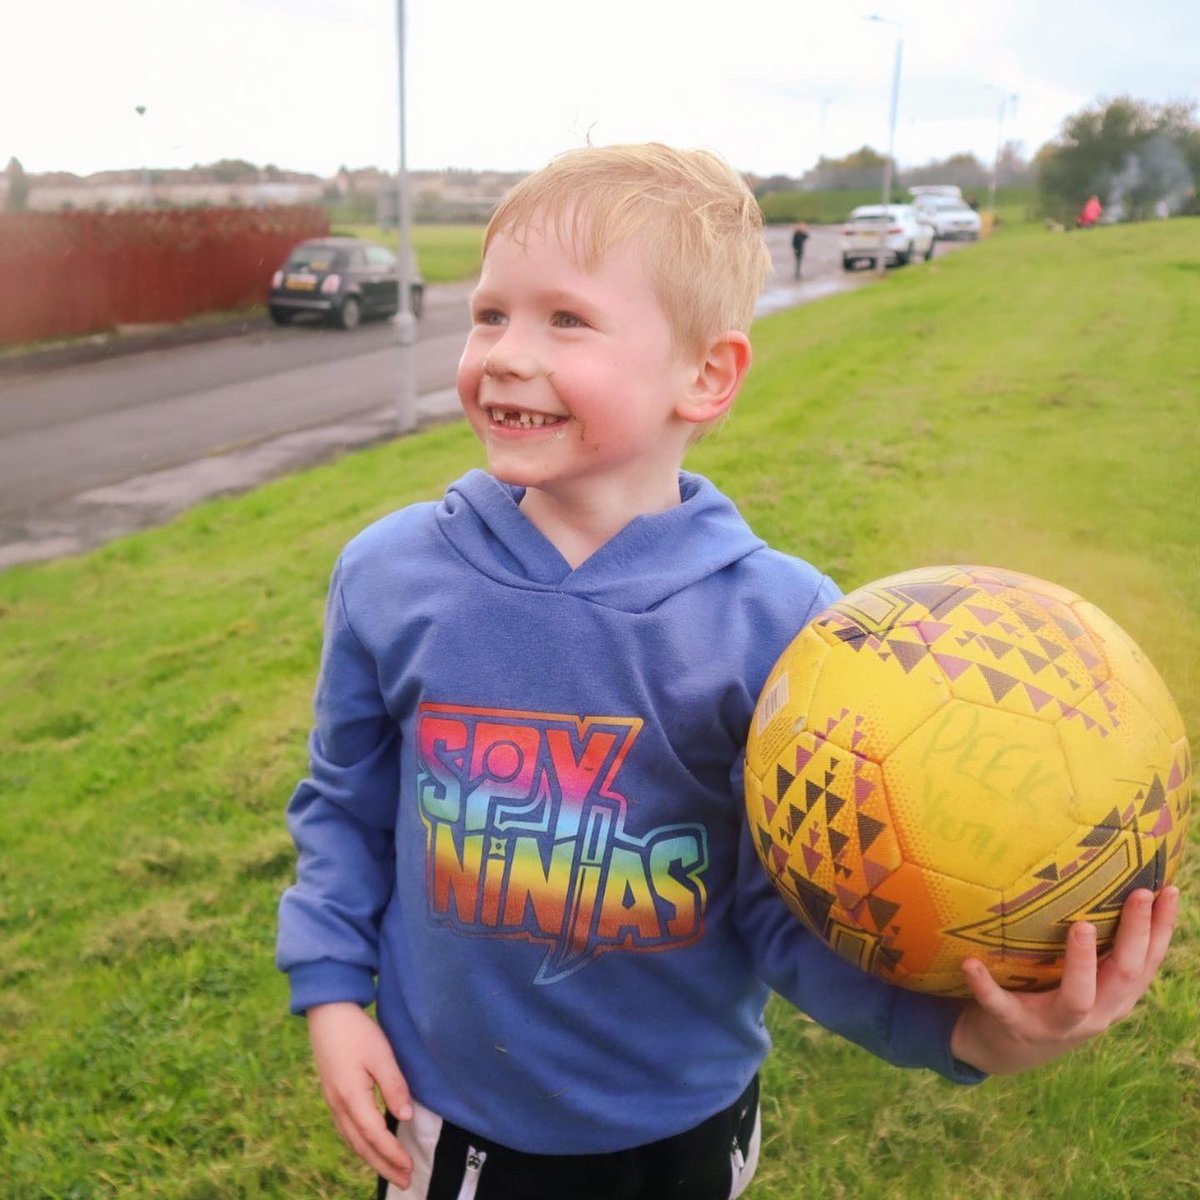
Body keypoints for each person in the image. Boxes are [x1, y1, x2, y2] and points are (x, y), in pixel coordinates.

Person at [276, 143, 1179, 1200]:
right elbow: (345, 806)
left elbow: (785, 907)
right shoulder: (390, 577)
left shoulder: (792, 633)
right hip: (458, 1124)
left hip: (684, 1126)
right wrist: (331, 995)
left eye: (566, 320)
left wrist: (971, 1034)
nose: (507, 354)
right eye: (490, 315)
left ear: (705, 375)